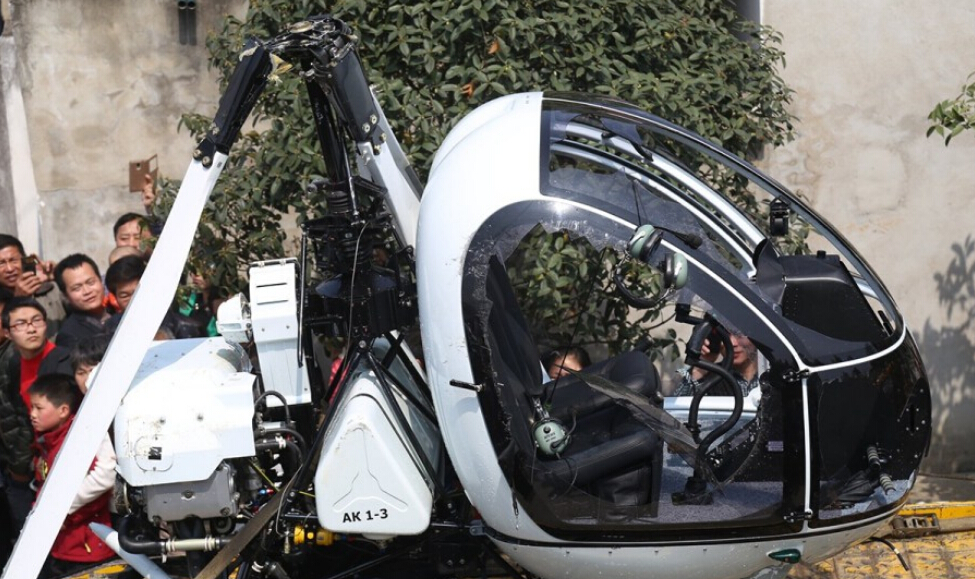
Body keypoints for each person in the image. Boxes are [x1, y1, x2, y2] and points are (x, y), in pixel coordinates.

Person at [28, 374, 115, 578]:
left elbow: (102, 480)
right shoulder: (48, 442)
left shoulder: (76, 441)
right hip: (63, 545)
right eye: (31, 407)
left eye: (39, 408)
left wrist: (59, 509)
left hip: (86, 547)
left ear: (63, 410)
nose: (32, 414)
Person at [1, 297, 70, 535]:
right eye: (21, 324)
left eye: (36, 321)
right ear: (8, 333)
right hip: (28, 466)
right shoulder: (12, 364)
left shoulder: (63, 361)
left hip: (61, 463)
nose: (31, 329)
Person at [0, 234, 65, 336]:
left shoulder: (51, 291)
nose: (9, 269)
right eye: (1, 263)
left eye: (13, 260)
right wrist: (18, 301)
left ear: (24, 261)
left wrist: (61, 276)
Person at [53, 254, 114, 351]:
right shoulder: (69, 335)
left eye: (91, 282)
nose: (87, 291)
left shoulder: (120, 310)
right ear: (65, 295)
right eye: (77, 288)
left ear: (100, 280)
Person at [674, 331, 760, 397]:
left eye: (740, 334)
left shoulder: (767, 374)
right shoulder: (711, 377)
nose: (732, 343)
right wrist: (700, 367)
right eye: (725, 335)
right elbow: (677, 410)